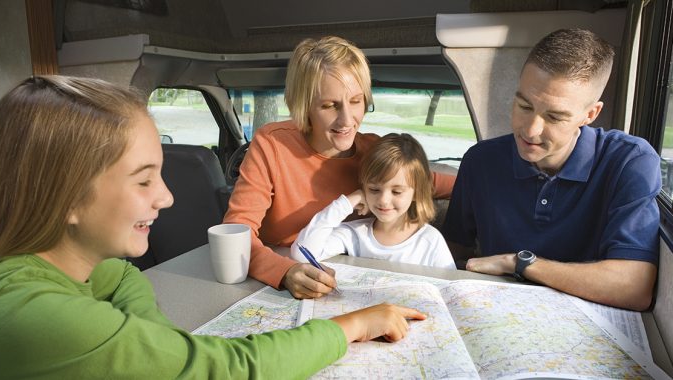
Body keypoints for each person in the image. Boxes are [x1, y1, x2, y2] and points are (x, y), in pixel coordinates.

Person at [0, 75, 427, 379]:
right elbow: (230, 370)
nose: (167, 197)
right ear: (65, 195)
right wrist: (351, 326)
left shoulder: (30, 266)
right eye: (144, 179)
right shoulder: (41, 320)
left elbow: (118, 276)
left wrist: (154, 338)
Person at [441, 28, 661, 311]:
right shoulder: (479, 161)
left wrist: (520, 263)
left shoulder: (630, 161)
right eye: (524, 105)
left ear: (590, 114)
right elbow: (454, 252)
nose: (530, 130)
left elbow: (633, 286)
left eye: (554, 117)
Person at [224, 36, 456, 299]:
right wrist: (285, 272)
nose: (347, 120)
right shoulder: (271, 144)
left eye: (356, 101)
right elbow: (236, 232)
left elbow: (428, 182)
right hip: (274, 285)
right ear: (304, 106)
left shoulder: (373, 151)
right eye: (330, 105)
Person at [292, 133, 455, 269]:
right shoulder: (355, 234)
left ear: (416, 192)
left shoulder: (430, 241)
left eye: (397, 191)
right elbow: (302, 254)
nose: (384, 200)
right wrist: (348, 202)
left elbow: (451, 290)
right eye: (374, 190)